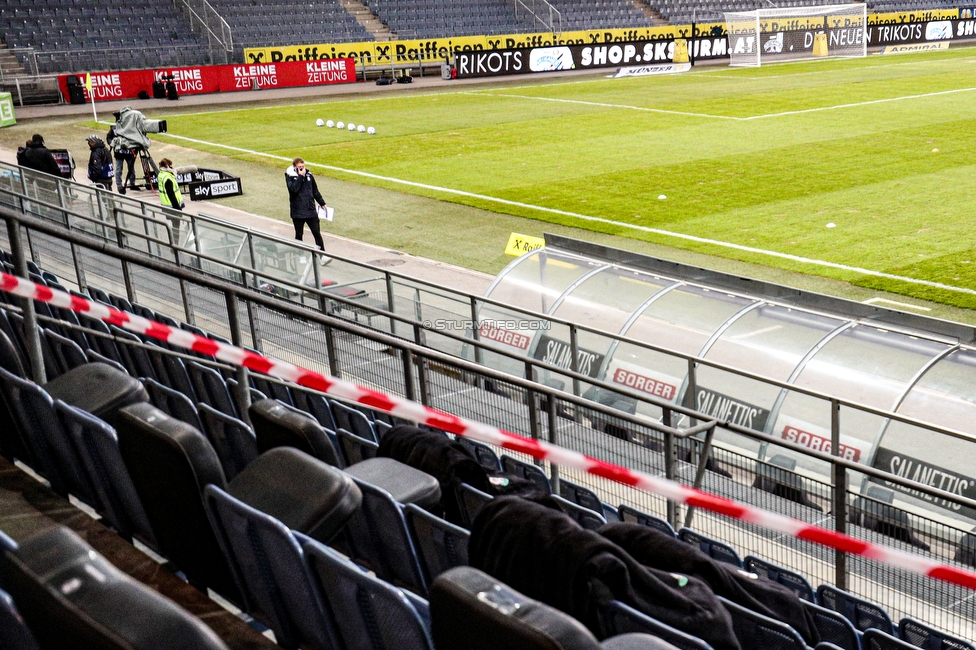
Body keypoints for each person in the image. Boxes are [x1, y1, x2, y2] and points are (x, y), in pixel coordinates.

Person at [285, 157, 329, 260]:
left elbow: (315, 191)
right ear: (294, 167)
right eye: (299, 167)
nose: (302, 169)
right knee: (299, 234)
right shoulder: (290, 177)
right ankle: (300, 255)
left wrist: (322, 202)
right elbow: (294, 189)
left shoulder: (309, 176)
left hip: (310, 210)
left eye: (303, 167)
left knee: (317, 233)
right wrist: (300, 177)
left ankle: (322, 255)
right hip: (298, 212)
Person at [107, 112, 137, 194]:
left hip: (129, 151)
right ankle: (119, 186)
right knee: (119, 170)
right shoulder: (114, 129)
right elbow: (109, 137)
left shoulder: (129, 128)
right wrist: (112, 144)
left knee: (131, 169)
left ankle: (132, 183)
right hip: (119, 153)